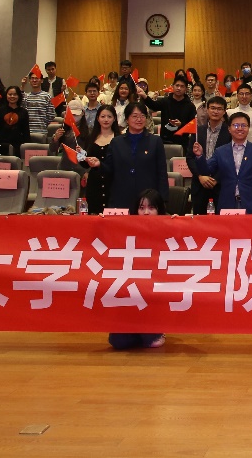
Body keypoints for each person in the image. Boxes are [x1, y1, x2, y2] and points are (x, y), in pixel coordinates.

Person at [108, 189, 168, 351]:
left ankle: (154, 330)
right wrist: (101, 222)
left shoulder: (168, 229)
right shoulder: (127, 229)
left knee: (152, 342)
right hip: (130, 289)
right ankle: (138, 330)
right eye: (142, 208)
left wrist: (178, 225)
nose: (146, 212)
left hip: (154, 291)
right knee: (118, 343)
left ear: (160, 210)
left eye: (151, 208)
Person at [97, 102, 168, 213]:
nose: (139, 119)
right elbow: (109, 170)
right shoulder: (116, 142)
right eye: (135, 116)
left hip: (147, 200)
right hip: (121, 197)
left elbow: (162, 173)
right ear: (127, 119)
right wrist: (99, 165)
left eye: (142, 116)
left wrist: (162, 199)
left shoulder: (155, 141)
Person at [193, 112, 252, 214]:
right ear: (229, 129)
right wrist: (199, 156)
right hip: (226, 203)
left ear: (249, 128)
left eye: (244, 125)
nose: (240, 128)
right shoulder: (220, 151)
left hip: (251, 203)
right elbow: (206, 170)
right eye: (236, 125)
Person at [81, 104, 119, 213]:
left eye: (109, 116)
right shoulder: (91, 137)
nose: (106, 119)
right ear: (97, 118)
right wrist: (80, 155)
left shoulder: (119, 139)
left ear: (114, 118)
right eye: (103, 116)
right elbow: (85, 164)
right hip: (94, 183)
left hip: (113, 183)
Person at [153, 76, 197, 147]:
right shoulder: (165, 101)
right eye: (177, 85)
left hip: (182, 142)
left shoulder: (190, 106)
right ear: (173, 86)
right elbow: (153, 106)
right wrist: (144, 96)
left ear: (186, 89)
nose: (179, 88)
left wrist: (181, 124)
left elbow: (192, 126)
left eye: (182, 86)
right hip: (165, 140)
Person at [229, 83, 252, 147]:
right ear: (237, 95)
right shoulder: (230, 113)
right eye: (241, 94)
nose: (244, 96)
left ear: (251, 95)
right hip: (233, 148)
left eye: (247, 94)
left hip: (251, 148)